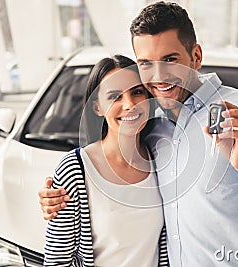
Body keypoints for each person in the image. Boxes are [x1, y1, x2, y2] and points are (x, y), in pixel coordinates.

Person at [39, 2, 238, 266]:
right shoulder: (151, 127)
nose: (158, 76)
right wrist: (56, 201)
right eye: (146, 63)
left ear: (196, 56)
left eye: (170, 60)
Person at [43, 55, 168, 267]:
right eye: (115, 96)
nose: (129, 104)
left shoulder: (162, 159)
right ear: (97, 108)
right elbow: (56, 261)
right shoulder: (76, 170)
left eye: (137, 92)